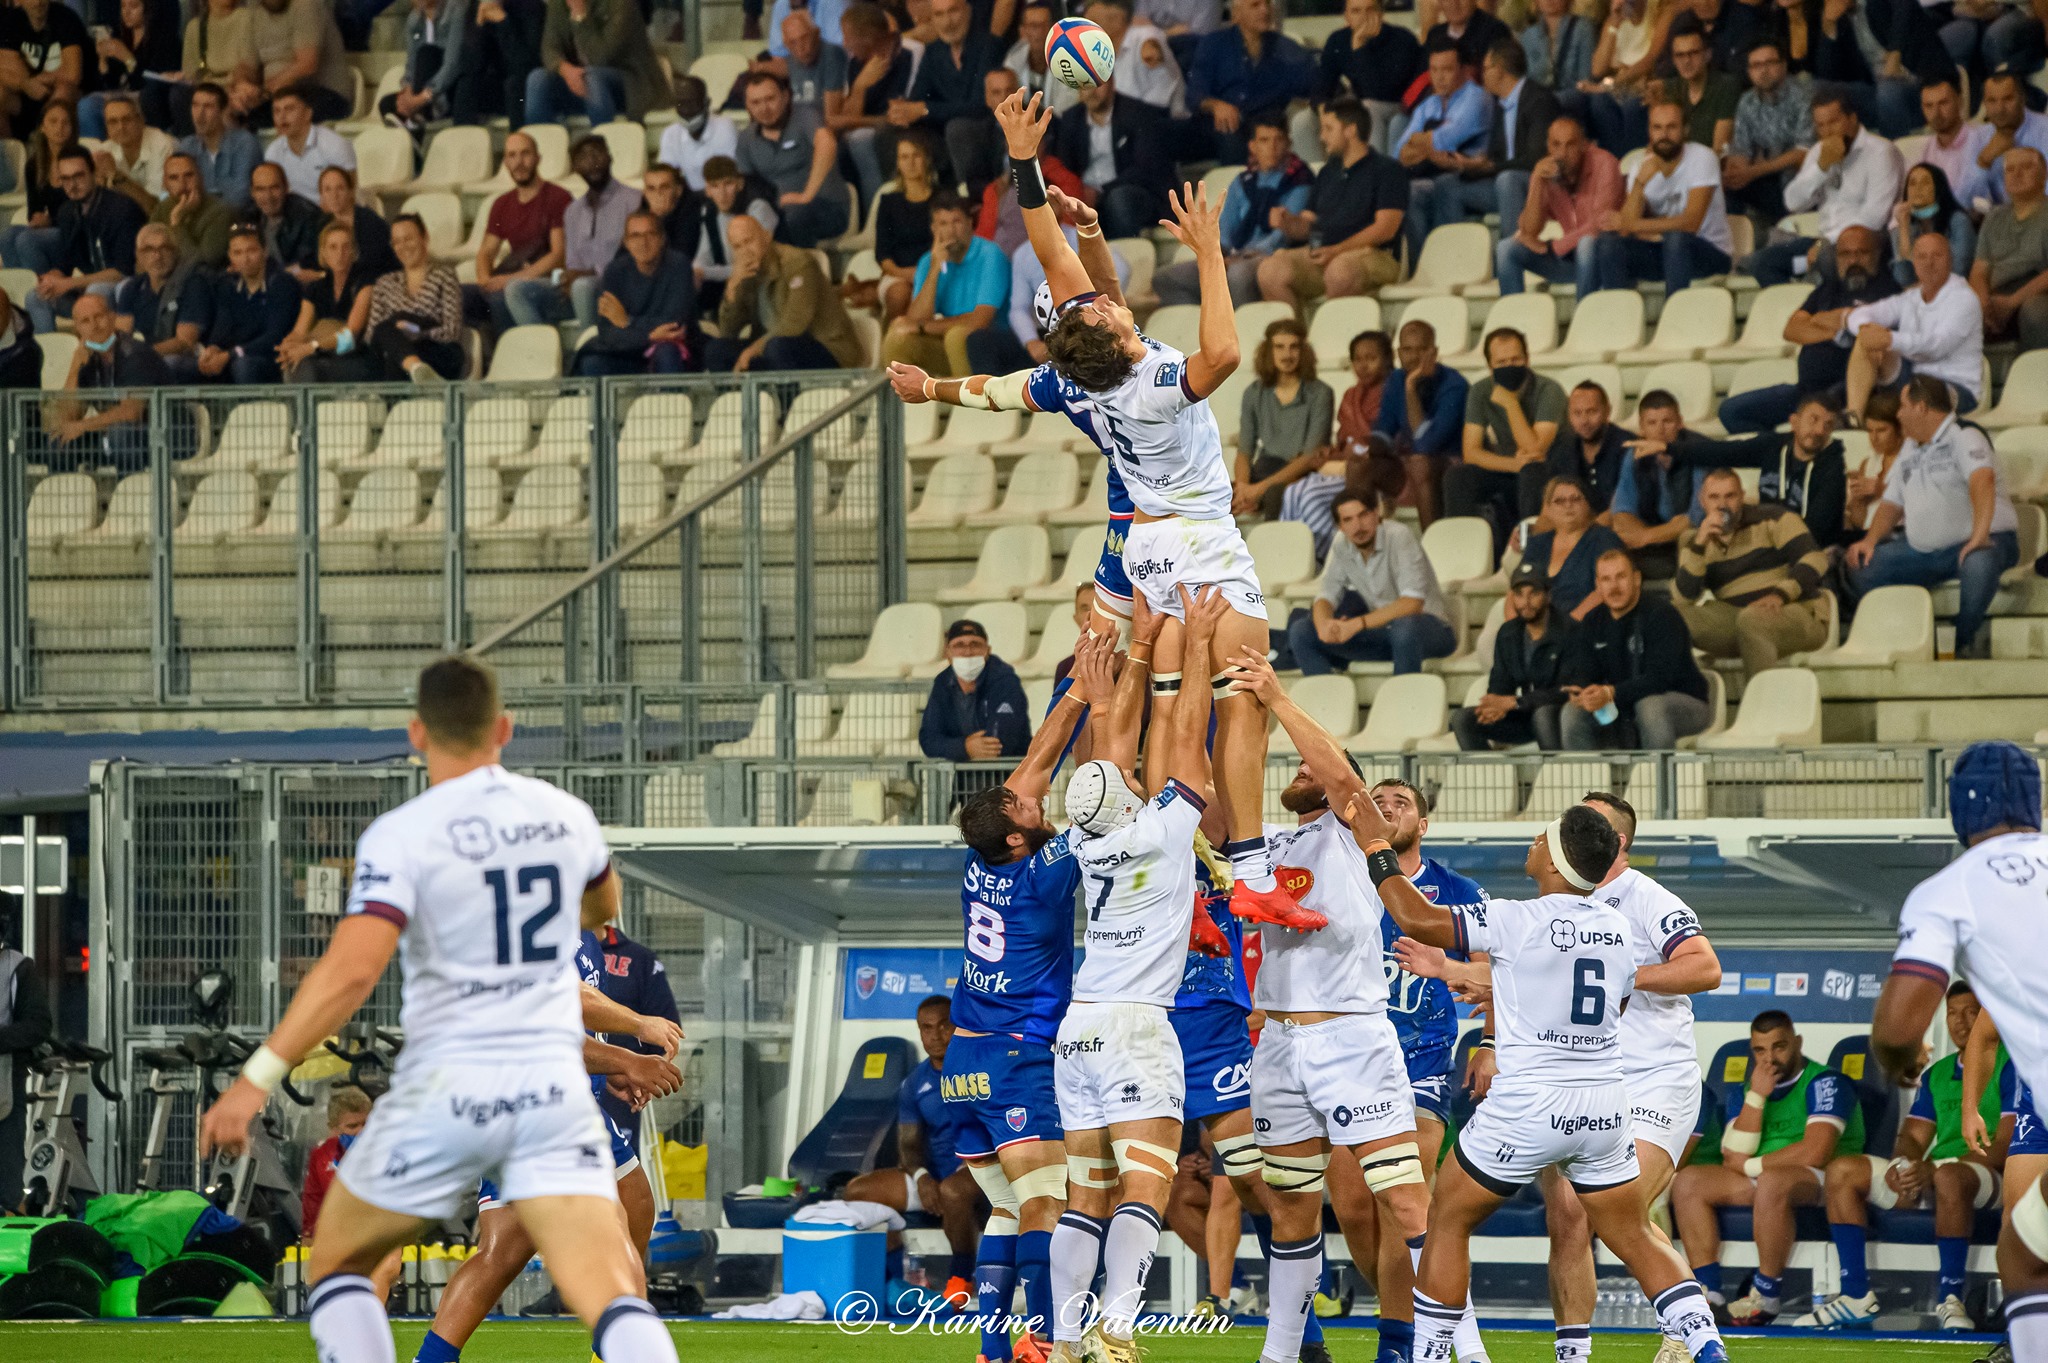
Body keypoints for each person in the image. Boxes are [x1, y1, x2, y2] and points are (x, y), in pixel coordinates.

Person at [199, 656, 682, 1363]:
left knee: (339, 1258)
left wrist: (254, 1079)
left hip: (448, 1087)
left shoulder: (402, 834)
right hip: (550, 1094)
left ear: (418, 733)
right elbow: (601, 907)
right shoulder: (564, 817)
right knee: (612, 1289)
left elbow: (351, 972)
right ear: (504, 729)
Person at [1000, 92, 1309, 927]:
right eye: (1097, 305)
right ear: (1112, 335)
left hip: (1147, 546)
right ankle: (1250, 869)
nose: (1102, 295)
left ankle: (1179, 874)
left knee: (1173, 707)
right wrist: (1209, 253)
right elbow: (1226, 351)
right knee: (1241, 696)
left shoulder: (1086, 374)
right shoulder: (1152, 383)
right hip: (1200, 540)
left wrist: (1024, 161)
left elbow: (1049, 248)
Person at [1364, 800, 1732, 1363]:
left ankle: (1432, 1352)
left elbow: (1418, 918)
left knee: (1448, 1218)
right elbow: (1599, 996)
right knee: (1632, 1232)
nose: (1534, 842)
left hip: (1534, 1103)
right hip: (1605, 1107)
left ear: (1557, 862)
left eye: (1542, 838)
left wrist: (1378, 851)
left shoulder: (1516, 917)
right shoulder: (1614, 927)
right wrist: (1474, 979)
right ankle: (1705, 1341)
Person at [1213, 660, 1449, 1363]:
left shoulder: (1356, 832)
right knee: (1290, 1206)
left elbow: (1344, 780)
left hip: (1350, 1035)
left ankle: (1455, 1347)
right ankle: (1283, 1352)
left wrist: (1277, 697)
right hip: (1279, 1041)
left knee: (1405, 1202)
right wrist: (1210, 696)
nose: (1301, 768)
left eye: (1311, 763)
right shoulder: (1264, 844)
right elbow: (1214, 798)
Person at [1049, 585, 1222, 1363]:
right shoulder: (1160, 831)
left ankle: (1062, 1340)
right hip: (1135, 1025)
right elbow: (1185, 732)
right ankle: (1116, 1332)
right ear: (1127, 799)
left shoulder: (1086, 839)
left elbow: (1111, 750)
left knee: (1085, 1195)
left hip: (1078, 1025)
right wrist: (1193, 649)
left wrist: (1133, 655)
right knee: (1146, 1187)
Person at [943, 632, 1108, 1359]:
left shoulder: (982, 861)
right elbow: (1100, 795)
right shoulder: (1041, 876)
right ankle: (1040, 1338)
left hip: (962, 1064)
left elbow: (1036, 766)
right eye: (1022, 807)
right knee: (1048, 1202)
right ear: (1016, 837)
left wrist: (1075, 692)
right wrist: (1108, 706)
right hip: (1017, 1057)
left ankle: (992, 1347)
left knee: (1007, 1208)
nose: (1031, 797)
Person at [411, 941, 684, 1363]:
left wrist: (609, 1068)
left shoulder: (579, 932)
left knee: (507, 1250)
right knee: (615, 1230)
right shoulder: (540, 922)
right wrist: (634, 1040)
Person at [1873, 740, 2048, 1363]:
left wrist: (1901, 1060)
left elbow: (1899, 1027)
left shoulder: (1949, 889)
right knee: (2026, 1249)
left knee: (2024, 1259)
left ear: (1958, 812)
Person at [1803, 980, 2010, 1331]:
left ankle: (1951, 1298)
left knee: (1949, 1177)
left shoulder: (2011, 1064)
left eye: (1972, 1012)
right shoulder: (1937, 1073)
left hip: (1991, 1178)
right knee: (1843, 1170)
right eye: (1953, 1013)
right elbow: (1913, 1136)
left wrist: (1935, 1168)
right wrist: (1904, 1165)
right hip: (1938, 1176)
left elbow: (2004, 1146)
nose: (1961, 1022)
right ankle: (1855, 1295)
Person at [1671, 1009, 1867, 1324]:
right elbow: (1732, 1154)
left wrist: (1751, 1166)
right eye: (1760, 1050)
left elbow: (1816, 1151)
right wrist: (1757, 1096)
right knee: (1689, 1181)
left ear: (1797, 1043)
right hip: (1764, 1175)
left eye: (1779, 1046)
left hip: (1824, 1179)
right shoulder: (1746, 1089)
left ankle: (1766, 1295)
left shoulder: (1826, 1082)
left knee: (1772, 1181)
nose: (1769, 1058)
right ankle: (1708, 1293)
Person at [1847, 374, 2020, 658]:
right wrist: (1870, 540)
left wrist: (1979, 536)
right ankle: (1905, 638)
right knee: (1863, 566)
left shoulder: (1965, 434)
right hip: (1926, 551)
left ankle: (1960, 640)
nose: (1898, 414)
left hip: (1986, 540)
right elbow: (1891, 502)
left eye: (1903, 407)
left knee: (1979, 563)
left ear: (1921, 407)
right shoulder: (1909, 447)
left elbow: (1983, 481)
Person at [842, 995, 982, 1311]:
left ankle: (962, 1278)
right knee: (857, 1191)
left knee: (953, 1191)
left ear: (958, 1025)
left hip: (978, 1169)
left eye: (944, 1026)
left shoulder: (980, 1071)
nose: (935, 1035)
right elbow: (908, 1145)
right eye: (926, 1028)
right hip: (935, 1175)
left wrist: (967, 1167)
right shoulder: (914, 1083)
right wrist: (921, 1177)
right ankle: (892, 1278)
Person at [1716, 224, 1897, 435]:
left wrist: (1818, 321)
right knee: (1731, 412)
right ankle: (1782, 449)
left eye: (1861, 253)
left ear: (1877, 254)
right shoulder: (1828, 289)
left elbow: (1868, 332)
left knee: (1816, 417)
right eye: (1845, 254)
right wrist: (1839, 329)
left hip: (1845, 392)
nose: (1853, 260)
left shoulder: (1888, 292)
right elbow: (1792, 329)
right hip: (1805, 391)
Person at [1669, 467, 1833, 675]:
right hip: (1735, 617)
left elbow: (1815, 558)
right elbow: (1684, 598)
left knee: (1752, 619)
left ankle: (1761, 696)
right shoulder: (1693, 540)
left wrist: (1780, 594)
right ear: (1702, 501)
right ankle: (1687, 694)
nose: (1722, 505)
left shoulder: (1773, 518)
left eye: (1730, 496)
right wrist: (1700, 544)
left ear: (1742, 497)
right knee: (1669, 617)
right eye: (1714, 497)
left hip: (1795, 611)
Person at [1257, 97, 1407, 314]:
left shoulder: (1387, 170)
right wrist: (1288, 222)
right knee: (1270, 270)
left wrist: (1338, 250)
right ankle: (1294, 334)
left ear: (1350, 131)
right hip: (1325, 254)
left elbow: (1385, 229)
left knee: (1340, 272)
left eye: (1328, 129)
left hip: (1374, 255)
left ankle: (1339, 334)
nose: (1322, 137)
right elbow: (1308, 224)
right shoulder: (1328, 172)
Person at [1287, 490, 1457, 677]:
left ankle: (1404, 695)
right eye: (1348, 520)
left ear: (1377, 514)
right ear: (1340, 526)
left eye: (1363, 515)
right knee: (1301, 630)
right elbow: (1326, 595)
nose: (1358, 526)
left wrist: (1357, 624)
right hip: (1384, 632)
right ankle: (1326, 693)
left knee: (1404, 628)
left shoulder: (1399, 535)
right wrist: (1324, 626)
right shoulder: (1342, 544)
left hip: (1431, 630)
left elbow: (1412, 603)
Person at [1747, 87, 1902, 287]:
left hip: (1868, 244)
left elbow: (1875, 217)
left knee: (1825, 258)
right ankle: (1803, 302)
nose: (1827, 132)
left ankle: (1822, 293)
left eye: (1833, 122)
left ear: (1852, 119)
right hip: (1823, 242)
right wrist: (1821, 168)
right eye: (1821, 125)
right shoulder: (1818, 152)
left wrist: (1827, 244)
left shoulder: (1880, 152)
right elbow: (1792, 202)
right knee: (1761, 263)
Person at [1562, 548, 1713, 749]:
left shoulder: (1662, 614)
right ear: (1598, 585)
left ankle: (1657, 770)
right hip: (1622, 701)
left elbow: (1660, 679)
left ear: (1637, 579)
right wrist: (1581, 690)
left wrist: (1610, 692)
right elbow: (1585, 670)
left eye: (1621, 577)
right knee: (1572, 712)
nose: (1614, 587)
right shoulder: (1592, 620)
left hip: (1683, 702)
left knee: (1649, 706)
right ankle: (1586, 771)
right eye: (1606, 579)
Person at [1416, 40, 1558, 239]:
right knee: (1447, 184)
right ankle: (1456, 254)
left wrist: (1491, 166)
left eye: (1486, 68)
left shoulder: (1539, 100)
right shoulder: (1500, 103)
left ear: (1499, 70)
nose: (1482, 75)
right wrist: (1467, 164)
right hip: (1501, 183)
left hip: (1534, 185)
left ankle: (1511, 250)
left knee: (1507, 179)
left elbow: (1535, 158)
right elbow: (1494, 158)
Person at [1666, 392, 1847, 545]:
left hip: (1808, 548)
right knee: (1692, 539)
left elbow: (1817, 530)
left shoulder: (1833, 467)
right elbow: (1724, 452)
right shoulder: (1774, 446)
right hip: (1768, 539)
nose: (1819, 430)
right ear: (1794, 421)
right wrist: (1668, 448)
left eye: (1828, 425)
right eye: (1813, 420)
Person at [1594, 101, 1734, 295]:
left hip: (1710, 252)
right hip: (1663, 251)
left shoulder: (1702, 158)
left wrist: (1634, 225)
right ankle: (1619, 310)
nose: (1664, 135)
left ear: (1685, 130)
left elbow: (1691, 224)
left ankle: (1674, 311)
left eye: (1671, 127)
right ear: (1649, 131)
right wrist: (1639, 184)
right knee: (1609, 245)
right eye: (1657, 128)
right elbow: (1625, 229)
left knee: (1676, 239)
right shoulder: (1641, 166)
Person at [1445, 327, 1567, 549]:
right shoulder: (1480, 391)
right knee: (1458, 477)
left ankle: (1530, 549)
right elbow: (1471, 452)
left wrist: (1510, 403)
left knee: (1532, 472)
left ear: (1527, 359)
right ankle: (1463, 551)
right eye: (1501, 362)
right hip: (1512, 468)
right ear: (1490, 366)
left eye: (1515, 359)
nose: (1509, 366)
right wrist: (1514, 465)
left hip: (1550, 472)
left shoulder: (1549, 390)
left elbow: (1535, 450)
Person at [505, 136, 639, 333]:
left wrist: (587, 274)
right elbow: (572, 263)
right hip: (578, 289)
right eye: (583, 157)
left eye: (596, 153)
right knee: (516, 289)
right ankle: (542, 348)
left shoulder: (634, 200)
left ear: (610, 158)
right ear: (575, 167)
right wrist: (562, 278)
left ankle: (590, 347)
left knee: (582, 286)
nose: (592, 161)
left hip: (616, 289)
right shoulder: (573, 211)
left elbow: (634, 259)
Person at [1843, 233, 1983, 419]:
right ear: (1914, 263)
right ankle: (1854, 419)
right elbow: (1858, 315)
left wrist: (1890, 339)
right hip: (1915, 380)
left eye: (1937, 256)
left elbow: (1937, 346)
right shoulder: (1911, 297)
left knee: (1920, 390)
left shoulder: (1964, 298)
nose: (1929, 263)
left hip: (1956, 387)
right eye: (1922, 257)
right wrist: (1867, 329)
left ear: (1950, 260)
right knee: (1866, 341)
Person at [1450, 559, 1578, 750]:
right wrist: (1494, 707)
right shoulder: (1508, 633)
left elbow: (1566, 691)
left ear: (1548, 596)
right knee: (1462, 719)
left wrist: (1517, 703)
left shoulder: (1569, 630)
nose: (1526, 602)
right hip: (1523, 715)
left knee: (1542, 715)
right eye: (1519, 594)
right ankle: (1485, 770)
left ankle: (1555, 770)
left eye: (1534, 593)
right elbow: (1500, 683)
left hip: (1557, 717)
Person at [711, 213, 862, 371]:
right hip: (773, 349)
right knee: (717, 350)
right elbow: (727, 332)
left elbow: (795, 324)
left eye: (748, 241)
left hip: (826, 347)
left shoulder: (797, 263)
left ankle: (785, 388)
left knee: (777, 347)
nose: (745, 251)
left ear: (766, 236)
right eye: (737, 247)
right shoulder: (745, 273)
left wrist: (754, 349)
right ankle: (738, 389)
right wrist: (732, 287)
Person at [1498, 114, 1620, 300]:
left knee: (1587, 244)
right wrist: (1537, 180)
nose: (1562, 153)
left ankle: (1583, 315)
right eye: (1556, 145)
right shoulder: (1548, 170)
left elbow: (1600, 224)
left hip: (1600, 261)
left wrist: (1554, 248)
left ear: (1584, 145)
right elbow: (1529, 231)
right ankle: (1512, 318)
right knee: (1506, 249)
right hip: (1567, 261)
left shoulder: (1605, 163)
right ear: (1548, 146)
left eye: (1570, 145)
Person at [884, 192, 1006, 377]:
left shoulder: (990, 254)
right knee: (898, 336)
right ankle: (896, 395)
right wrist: (935, 269)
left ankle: (966, 395)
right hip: (949, 344)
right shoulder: (928, 261)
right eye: (943, 224)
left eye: (956, 221)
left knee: (955, 336)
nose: (950, 231)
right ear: (934, 229)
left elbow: (980, 321)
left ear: (970, 223)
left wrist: (922, 327)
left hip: (990, 344)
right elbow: (914, 319)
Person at [302, 1088, 403, 1309]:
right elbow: (313, 1199)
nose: (360, 1131)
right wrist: (310, 1234)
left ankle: (369, 1319)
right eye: (352, 1126)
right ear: (333, 1128)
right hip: (339, 1233)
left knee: (385, 1267)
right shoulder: (321, 1157)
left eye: (366, 1124)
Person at [30, 146, 148, 335]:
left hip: (126, 290)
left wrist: (69, 283)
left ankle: (94, 350)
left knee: (96, 290)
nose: (72, 185)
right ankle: (50, 352)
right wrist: (53, 278)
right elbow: (65, 262)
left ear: (94, 173)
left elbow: (123, 271)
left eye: (78, 176)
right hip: (89, 287)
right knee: (36, 297)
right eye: (65, 179)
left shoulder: (122, 209)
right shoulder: (67, 211)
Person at [45, 291, 168, 472]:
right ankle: (65, 491)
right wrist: (74, 368)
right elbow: (67, 416)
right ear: (77, 328)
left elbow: (131, 412)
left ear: (112, 318)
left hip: (159, 435)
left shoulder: (134, 354)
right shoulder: (88, 359)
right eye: (85, 321)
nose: (94, 326)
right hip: (114, 436)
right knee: (59, 438)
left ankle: (130, 488)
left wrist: (83, 426)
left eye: (99, 317)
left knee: (120, 432)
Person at [1397, 40, 1493, 257]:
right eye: (1434, 70)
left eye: (1447, 70)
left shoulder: (1477, 98)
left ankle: (1446, 261)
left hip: (1468, 176)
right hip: (1432, 174)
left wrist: (1419, 143)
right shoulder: (1427, 104)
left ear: (1463, 70)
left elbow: (1443, 140)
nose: (1439, 77)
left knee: (1433, 187)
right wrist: (1425, 145)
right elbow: (1400, 152)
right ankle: (1419, 267)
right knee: (1408, 190)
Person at [570, 211, 695, 377]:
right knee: (592, 363)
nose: (643, 242)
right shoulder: (615, 271)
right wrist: (648, 336)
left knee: (667, 352)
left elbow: (673, 325)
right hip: (627, 352)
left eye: (650, 234)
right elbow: (607, 332)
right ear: (626, 242)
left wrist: (627, 321)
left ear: (662, 239)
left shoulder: (679, 265)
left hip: (665, 349)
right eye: (635, 236)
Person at [1185, 0, 1312, 164]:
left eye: (1267, 4)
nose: (1265, 10)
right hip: (1214, 127)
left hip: (1262, 127)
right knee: (1156, 131)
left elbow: (1315, 82)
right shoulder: (1214, 44)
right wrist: (1215, 105)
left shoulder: (1285, 48)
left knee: (1235, 136)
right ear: (1236, 14)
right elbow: (1194, 94)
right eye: (1255, 5)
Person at [468, 132, 570, 336]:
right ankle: (486, 353)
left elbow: (558, 255)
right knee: (463, 296)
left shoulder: (558, 197)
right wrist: (485, 279)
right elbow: (486, 252)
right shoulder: (501, 204)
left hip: (553, 281)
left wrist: (509, 280)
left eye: (525, 154)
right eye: (512, 155)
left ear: (538, 158)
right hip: (516, 278)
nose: (519, 162)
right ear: (505, 162)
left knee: (505, 295)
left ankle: (523, 350)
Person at [893, 0, 1000, 192]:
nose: (947, 22)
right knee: (892, 128)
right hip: (944, 132)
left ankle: (967, 196)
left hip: (983, 129)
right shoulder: (933, 51)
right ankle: (906, 196)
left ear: (967, 11)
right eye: (939, 15)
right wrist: (903, 111)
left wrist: (925, 109)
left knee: (957, 128)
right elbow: (918, 99)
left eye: (953, 11)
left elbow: (980, 105)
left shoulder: (988, 46)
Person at [736, 70, 850, 249]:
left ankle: (798, 264)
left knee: (792, 215)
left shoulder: (804, 116)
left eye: (770, 99)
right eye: (755, 102)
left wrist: (806, 195)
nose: (764, 108)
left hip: (825, 207)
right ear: (747, 105)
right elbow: (746, 184)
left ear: (786, 96)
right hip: (779, 213)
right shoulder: (746, 138)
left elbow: (827, 143)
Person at [1233, 318, 1333, 518]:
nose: (1287, 355)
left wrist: (1258, 489)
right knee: (1214, 495)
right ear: (1268, 351)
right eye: (1279, 347)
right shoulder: (1253, 393)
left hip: (1300, 473)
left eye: (1294, 347)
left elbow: (1309, 457)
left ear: (1303, 351)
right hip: (1265, 468)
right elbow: (1244, 451)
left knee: (1275, 494)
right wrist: (1242, 489)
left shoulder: (1320, 393)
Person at [1374, 317, 1468, 527]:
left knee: (1420, 463)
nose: (1414, 356)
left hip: (1451, 463)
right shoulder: (1395, 379)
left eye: (1422, 349)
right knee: (1360, 463)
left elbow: (1427, 443)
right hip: (1413, 458)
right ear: (1399, 353)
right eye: (1408, 350)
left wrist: (1410, 390)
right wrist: (1364, 447)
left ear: (1434, 352)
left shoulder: (1454, 385)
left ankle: (1431, 541)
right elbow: (1384, 428)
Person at [1053, 79, 1170, 242]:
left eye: (1097, 84)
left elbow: (1143, 169)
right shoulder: (1071, 119)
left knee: (1119, 199)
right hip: (1085, 194)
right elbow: (1065, 166)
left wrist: (1100, 190)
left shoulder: (1138, 114)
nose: (1091, 91)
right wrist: (1077, 190)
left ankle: (1125, 254)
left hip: (1131, 192)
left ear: (1112, 83)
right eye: (1085, 86)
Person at [183, 224, 300, 385]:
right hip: (231, 357)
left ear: (265, 251)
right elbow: (222, 328)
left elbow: (274, 336)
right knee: (175, 364)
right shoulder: (228, 285)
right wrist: (213, 348)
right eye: (237, 253)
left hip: (269, 360)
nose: (245, 259)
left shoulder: (282, 283)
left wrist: (232, 354)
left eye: (251, 251)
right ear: (230, 256)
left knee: (243, 366)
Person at [828, 1, 917, 208]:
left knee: (861, 140)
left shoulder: (909, 53)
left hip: (905, 127)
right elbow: (848, 121)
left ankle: (878, 211)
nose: (844, 44)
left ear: (867, 38)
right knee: (843, 144)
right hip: (872, 128)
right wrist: (859, 87)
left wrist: (875, 121)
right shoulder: (855, 63)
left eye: (848, 37)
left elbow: (900, 111)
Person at [528, 0, 671, 125]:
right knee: (537, 79)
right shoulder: (558, 4)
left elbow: (600, 58)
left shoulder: (621, 4)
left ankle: (602, 143)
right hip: (580, 81)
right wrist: (564, 69)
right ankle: (543, 144)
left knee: (592, 78)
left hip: (631, 84)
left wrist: (580, 16)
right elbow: (549, 48)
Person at [1720, 41, 1811, 227]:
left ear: (1783, 66)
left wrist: (1755, 170)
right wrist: (1736, 173)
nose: (1763, 71)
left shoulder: (1803, 96)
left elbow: (1803, 152)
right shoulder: (1747, 101)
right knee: (1725, 190)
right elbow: (1741, 151)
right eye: (1756, 65)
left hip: (1799, 181)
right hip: (1764, 179)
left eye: (1770, 63)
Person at [1608, 390, 1698, 577]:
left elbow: (1695, 517)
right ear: (1641, 428)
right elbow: (1622, 511)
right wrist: (1645, 536)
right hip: (1652, 541)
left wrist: (1645, 537)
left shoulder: (1699, 452)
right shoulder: (1634, 456)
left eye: (1667, 421)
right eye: (1652, 423)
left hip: (1690, 541)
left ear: (1680, 422)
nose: (1660, 430)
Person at [364, 214, 463, 383]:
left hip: (437, 351)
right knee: (387, 333)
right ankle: (416, 369)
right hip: (396, 354)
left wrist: (418, 333)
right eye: (397, 242)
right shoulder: (384, 283)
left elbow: (452, 331)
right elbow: (372, 335)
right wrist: (398, 337)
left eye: (408, 239)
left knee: (395, 329)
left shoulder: (444, 275)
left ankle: (414, 371)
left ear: (425, 238)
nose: (403, 246)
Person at [1317, 0, 1422, 156]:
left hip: (1399, 105)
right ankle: (1316, 170)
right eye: (1356, 11)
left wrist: (1360, 49)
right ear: (1346, 16)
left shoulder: (1402, 39)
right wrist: (1323, 114)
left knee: (1368, 108)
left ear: (1381, 13)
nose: (1364, 17)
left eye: (1370, 10)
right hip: (1363, 104)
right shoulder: (1338, 40)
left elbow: (1378, 92)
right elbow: (1321, 86)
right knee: (1303, 121)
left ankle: (1374, 168)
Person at [918, 618, 1030, 762]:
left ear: (987, 651)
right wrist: (964, 748)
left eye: (975, 644)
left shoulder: (1005, 680)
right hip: (961, 774)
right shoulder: (942, 683)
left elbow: (1001, 741)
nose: (968, 652)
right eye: (959, 645)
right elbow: (928, 740)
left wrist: (957, 748)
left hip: (1006, 771)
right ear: (948, 653)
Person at [1970, 146, 2048, 352]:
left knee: (2036, 312)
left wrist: (2012, 303)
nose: (2016, 174)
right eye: (2010, 169)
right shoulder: (1994, 217)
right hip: (1995, 298)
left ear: (2044, 175)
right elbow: (1979, 271)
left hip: (2036, 296)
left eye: (2026, 167)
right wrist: (1985, 304)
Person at [0, 917, 52, 1214]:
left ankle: (10, 1229)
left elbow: (38, 1025)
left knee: (7, 1182)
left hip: (4, 1090)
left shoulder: (18, 968)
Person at [1520, 476, 1626, 621]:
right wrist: (1515, 626)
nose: (1568, 505)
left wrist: (1570, 623)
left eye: (1576, 499)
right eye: (1559, 501)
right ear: (1548, 509)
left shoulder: (1603, 539)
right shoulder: (1537, 543)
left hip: (1586, 623)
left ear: (1587, 505)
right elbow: (1517, 590)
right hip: (1537, 624)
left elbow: (1604, 590)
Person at [278, 221, 375, 381]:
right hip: (322, 354)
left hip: (355, 357)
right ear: (323, 253)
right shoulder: (316, 287)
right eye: (333, 247)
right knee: (293, 362)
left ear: (354, 251)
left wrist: (312, 346)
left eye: (346, 247)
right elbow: (300, 331)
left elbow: (350, 336)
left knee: (306, 366)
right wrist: (289, 345)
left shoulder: (365, 284)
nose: (340, 253)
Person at [235, 0, 353, 127]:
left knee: (258, 119)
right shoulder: (254, 11)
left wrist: (264, 92)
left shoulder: (306, 5)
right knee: (232, 114)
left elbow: (307, 65)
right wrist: (243, 85)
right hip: (278, 96)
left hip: (324, 93)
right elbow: (246, 66)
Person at [691, 156, 779, 319]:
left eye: (728, 184)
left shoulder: (758, 208)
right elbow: (702, 259)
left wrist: (705, 273)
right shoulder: (709, 212)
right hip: (732, 280)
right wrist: (696, 273)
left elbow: (754, 265)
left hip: (768, 280)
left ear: (740, 183)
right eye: (715, 186)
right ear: (707, 190)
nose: (722, 194)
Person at [79, 0, 180, 138]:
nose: (126, 12)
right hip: (118, 95)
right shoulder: (119, 35)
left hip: (145, 98)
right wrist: (102, 60)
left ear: (147, 9)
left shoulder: (164, 39)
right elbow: (107, 84)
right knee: (87, 105)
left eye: (133, 6)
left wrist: (128, 59)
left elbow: (153, 84)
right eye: (123, 6)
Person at [380, 0, 476, 135]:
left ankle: (416, 116)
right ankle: (415, 124)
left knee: (427, 54)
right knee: (386, 104)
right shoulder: (414, 20)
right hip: (423, 92)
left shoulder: (456, 9)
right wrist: (408, 91)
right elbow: (411, 64)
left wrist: (422, 99)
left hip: (449, 89)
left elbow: (453, 64)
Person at [870, 133, 938, 320]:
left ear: (926, 159)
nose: (910, 162)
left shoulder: (941, 199)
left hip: (936, 271)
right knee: (900, 294)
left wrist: (924, 273)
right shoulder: (889, 202)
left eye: (916, 155)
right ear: (898, 163)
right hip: (897, 273)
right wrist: (904, 274)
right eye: (904, 157)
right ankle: (892, 335)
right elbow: (882, 252)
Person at [115, 224, 203, 363]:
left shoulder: (192, 285)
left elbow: (185, 342)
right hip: (142, 358)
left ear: (176, 252)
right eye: (148, 249)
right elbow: (122, 335)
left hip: (181, 359)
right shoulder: (132, 288)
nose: (157, 256)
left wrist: (141, 355)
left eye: (165, 248)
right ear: (138, 255)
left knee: (170, 361)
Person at [1543, 379, 1631, 517]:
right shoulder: (1562, 447)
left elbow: (1623, 505)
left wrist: (1590, 529)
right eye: (1577, 413)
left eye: (1591, 412)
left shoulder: (1627, 446)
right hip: (1571, 524)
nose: (1584, 421)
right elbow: (1549, 505)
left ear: (1607, 411)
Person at [0, 0, 86, 138]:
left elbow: (73, 74)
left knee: (64, 89)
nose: (38, 2)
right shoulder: (10, 20)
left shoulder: (66, 18)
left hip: (57, 92)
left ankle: (45, 143)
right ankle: (11, 149)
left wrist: (37, 80)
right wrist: (26, 84)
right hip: (24, 94)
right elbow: (5, 69)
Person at [1656, 21, 1739, 153]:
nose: (1686, 61)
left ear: (1707, 55)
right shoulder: (1671, 87)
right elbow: (1660, 141)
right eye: (1680, 55)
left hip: (1709, 162)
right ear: (1674, 60)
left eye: (1693, 53)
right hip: (1677, 161)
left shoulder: (1726, 86)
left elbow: (1719, 150)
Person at [1892, 163, 1974, 292]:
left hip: (1954, 293)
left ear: (1938, 188)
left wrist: (1917, 289)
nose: (1918, 188)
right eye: (1912, 183)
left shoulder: (1958, 221)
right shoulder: (1901, 228)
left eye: (1925, 183)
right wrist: (1904, 230)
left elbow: (1959, 271)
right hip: (1918, 297)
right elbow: (1904, 278)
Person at [179, 82, 261, 205]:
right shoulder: (187, 147)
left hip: (236, 216)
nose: (199, 114)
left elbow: (239, 199)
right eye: (195, 105)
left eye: (208, 107)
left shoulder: (244, 144)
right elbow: (176, 191)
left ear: (222, 112)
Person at [150, 151, 234, 270]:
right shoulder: (162, 208)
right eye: (174, 178)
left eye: (189, 175)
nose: (182, 184)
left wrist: (177, 223)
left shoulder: (220, 212)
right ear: (165, 183)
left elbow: (201, 265)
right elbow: (146, 255)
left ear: (200, 177)